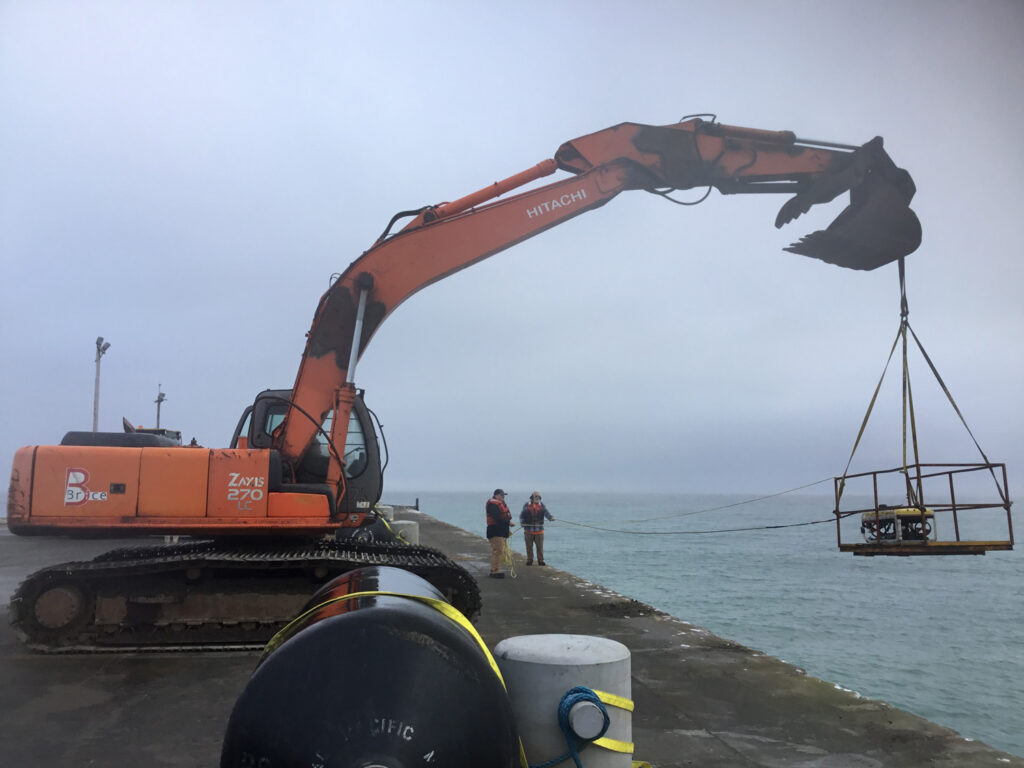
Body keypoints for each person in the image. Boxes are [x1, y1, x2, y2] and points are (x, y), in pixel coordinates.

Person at [485, 489, 514, 579]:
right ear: (496, 495)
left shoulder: (500, 504)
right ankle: (494, 571)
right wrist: (508, 523)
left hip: (500, 531)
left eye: (503, 495)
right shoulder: (492, 505)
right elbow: (497, 518)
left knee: (499, 551)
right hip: (495, 531)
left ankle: (496, 570)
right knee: (498, 551)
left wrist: (508, 523)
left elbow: (504, 517)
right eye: (501, 495)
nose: (503, 497)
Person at [520, 491, 554, 566]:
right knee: (529, 547)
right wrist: (522, 523)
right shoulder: (526, 505)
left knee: (540, 547)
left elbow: (546, 513)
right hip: (528, 531)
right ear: (532, 497)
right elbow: (522, 515)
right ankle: (529, 560)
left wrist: (550, 517)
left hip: (539, 531)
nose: (537, 498)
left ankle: (540, 561)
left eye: (538, 497)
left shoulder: (542, 505)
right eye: (536, 496)